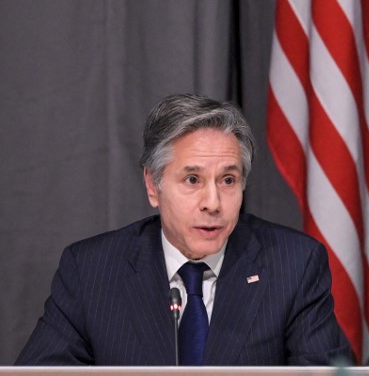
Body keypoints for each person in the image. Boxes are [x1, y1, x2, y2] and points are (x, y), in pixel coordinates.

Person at [17, 93, 350, 366]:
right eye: (193, 180)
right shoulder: (92, 270)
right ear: (153, 185)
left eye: (228, 180)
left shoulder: (293, 264)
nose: (213, 203)